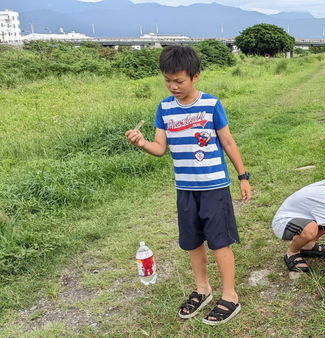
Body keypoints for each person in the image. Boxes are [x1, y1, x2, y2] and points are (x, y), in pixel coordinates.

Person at [125, 46, 251, 325]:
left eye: (178, 81)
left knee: (220, 242)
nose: (173, 87)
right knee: (192, 242)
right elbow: (160, 148)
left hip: (214, 186)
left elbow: (228, 142)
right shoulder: (164, 108)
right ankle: (202, 288)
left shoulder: (211, 105)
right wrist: (141, 142)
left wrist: (243, 177)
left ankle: (230, 295)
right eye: (167, 80)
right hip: (185, 188)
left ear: (194, 77)